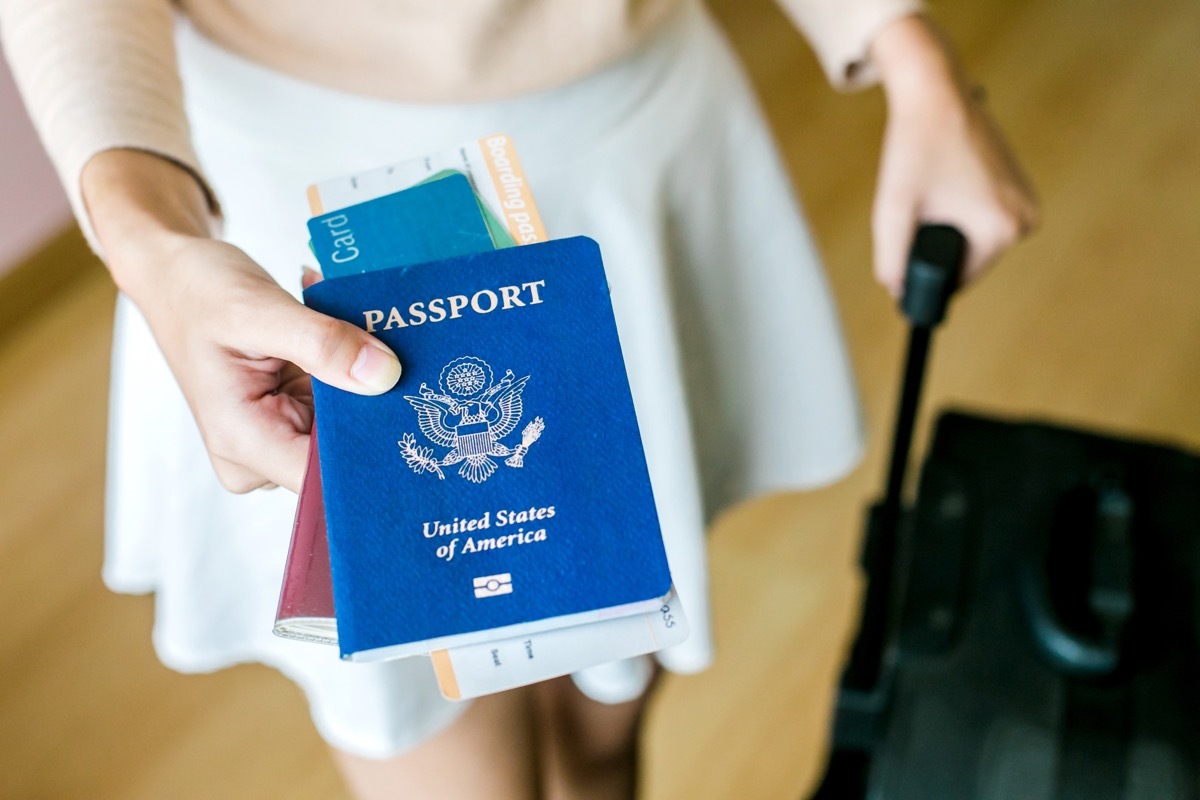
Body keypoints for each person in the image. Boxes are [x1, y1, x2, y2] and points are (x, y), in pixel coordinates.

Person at [0, 0, 1036, 797]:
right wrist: (150, 240)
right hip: (278, 211)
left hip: (620, 147)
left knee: (604, 729)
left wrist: (907, 52)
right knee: (440, 743)